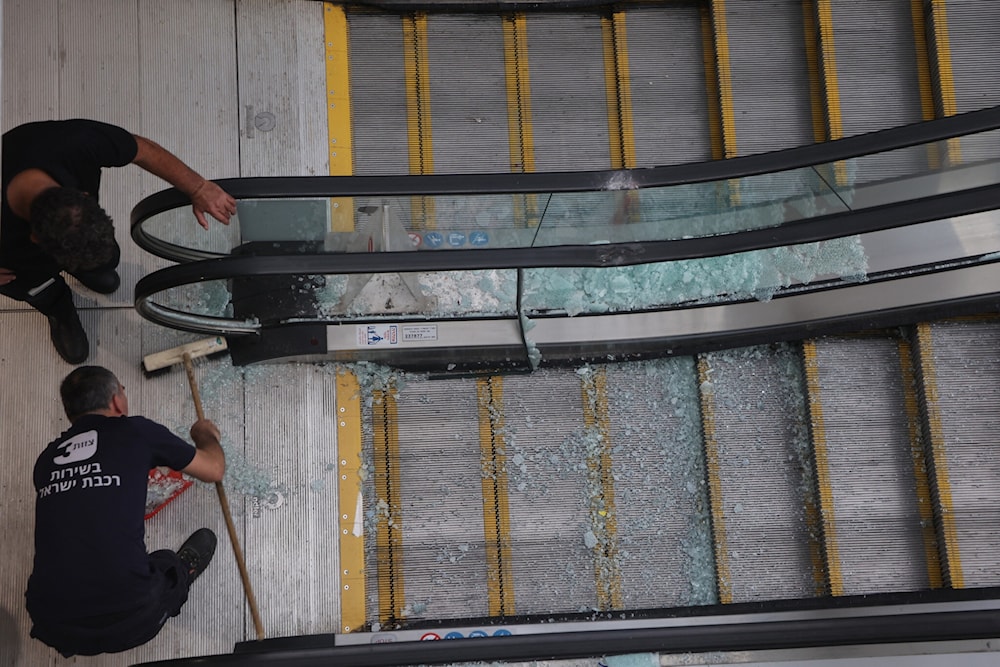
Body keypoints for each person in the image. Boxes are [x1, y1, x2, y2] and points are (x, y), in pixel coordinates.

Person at [25, 365, 227, 658]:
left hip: (52, 624)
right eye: (122, 389)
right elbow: (214, 469)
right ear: (117, 401)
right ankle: (182, 573)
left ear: (71, 413)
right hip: (133, 617)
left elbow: (81, 499)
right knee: (165, 563)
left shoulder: (46, 460)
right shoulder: (136, 431)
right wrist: (204, 435)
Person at [0, 119, 237, 364]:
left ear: (83, 196)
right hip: (14, 265)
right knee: (38, 288)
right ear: (35, 239)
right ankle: (59, 309)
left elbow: (142, 150)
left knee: (107, 259)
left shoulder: (75, 143)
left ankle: (92, 270)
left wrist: (197, 187)